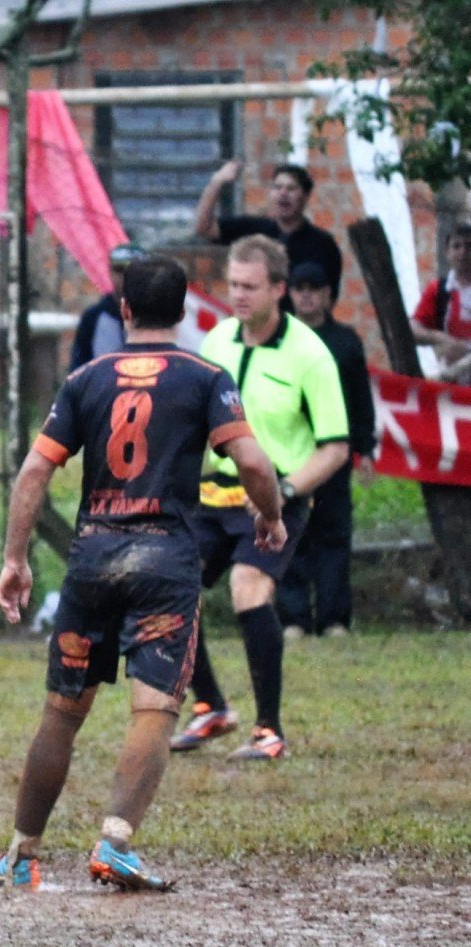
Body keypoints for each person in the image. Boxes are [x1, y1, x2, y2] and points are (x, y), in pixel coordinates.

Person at [0, 255, 283, 893]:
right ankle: (115, 841)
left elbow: (34, 472)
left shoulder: (86, 378)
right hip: (165, 559)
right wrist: (271, 516)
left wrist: (15, 559)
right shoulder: (205, 377)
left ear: (123, 309)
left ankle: (21, 856)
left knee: (62, 713)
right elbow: (253, 461)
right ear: (182, 314)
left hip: (92, 556)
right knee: (156, 707)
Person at [170, 236, 351, 761]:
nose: (239, 296)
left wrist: (287, 489)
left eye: (250, 287)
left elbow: (336, 447)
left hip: (278, 500)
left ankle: (269, 731)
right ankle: (211, 709)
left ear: (278, 289)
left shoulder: (310, 354)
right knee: (174, 590)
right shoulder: (218, 341)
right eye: (233, 286)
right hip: (215, 494)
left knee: (248, 589)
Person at [277, 261, 376, 639]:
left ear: (328, 295)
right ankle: (294, 618)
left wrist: (364, 448)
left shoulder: (346, 342)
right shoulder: (279, 339)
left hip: (332, 452)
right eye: (299, 287)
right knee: (289, 535)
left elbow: (361, 400)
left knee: (333, 537)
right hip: (288, 453)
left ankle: (334, 619)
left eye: (313, 287)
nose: (305, 295)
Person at [193, 161, 343, 309]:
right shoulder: (254, 230)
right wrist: (217, 181)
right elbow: (204, 228)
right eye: (277, 187)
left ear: (305, 196)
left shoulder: (322, 243)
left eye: (291, 188)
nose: (283, 194)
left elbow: (329, 299)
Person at [68, 243, 147, 371]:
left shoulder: (156, 315)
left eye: (133, 270)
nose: (125, 277)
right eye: (119, 270)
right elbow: (78, 369)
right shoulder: (93, 317)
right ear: (110, 272)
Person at [410, 220, 471, 383]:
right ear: (447, 252)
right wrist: (443, 340)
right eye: (456, 246)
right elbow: (413, 329)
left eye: (469, 246)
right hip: (450, 380)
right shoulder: (439, 290)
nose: (463, 252)